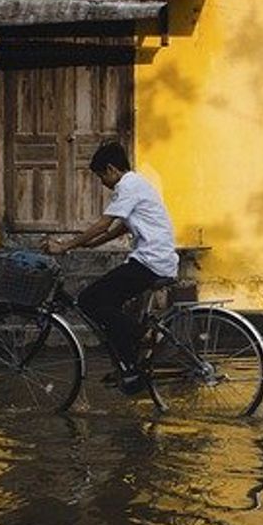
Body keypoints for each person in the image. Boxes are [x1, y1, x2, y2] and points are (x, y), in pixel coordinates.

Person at [43, 141, 179, 395]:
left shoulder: (127, 186)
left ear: (111, 169)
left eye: (101, 176)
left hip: (150, 261)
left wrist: (66, 246)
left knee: (88, 299)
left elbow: (103, 225)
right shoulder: (137, 184)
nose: (102, 183)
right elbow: (120, 228)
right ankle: (129, 366)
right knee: (109, 304)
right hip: (154, 259)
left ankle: (136, 339)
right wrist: (87, 245)